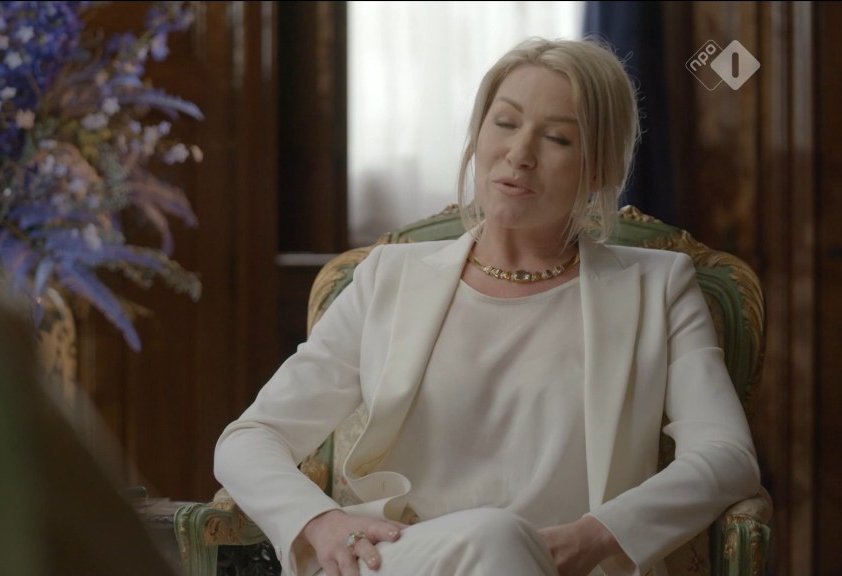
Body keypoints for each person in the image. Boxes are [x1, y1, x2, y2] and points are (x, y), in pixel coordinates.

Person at [213, 37, 761, 576]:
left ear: (597, 169)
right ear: (477, 134)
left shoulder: (658, 288)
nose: (519, 154)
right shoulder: (389, 278)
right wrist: (321, 521)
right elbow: (250, 438)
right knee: (495, 535)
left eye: (557, 138)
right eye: (504, 123)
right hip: (402, 561)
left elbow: (726, 454)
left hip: (565, 568)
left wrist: (595, 537)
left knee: (502, 538)